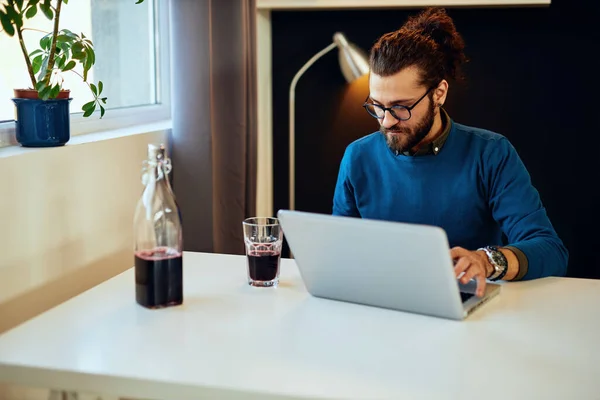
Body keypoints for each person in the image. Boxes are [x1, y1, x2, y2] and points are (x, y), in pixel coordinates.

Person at [332, 7, 568, 297]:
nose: (386, 120)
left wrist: (486, 260)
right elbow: (339, 252)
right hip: (380, 306)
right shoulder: (357, 157)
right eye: (377, 106)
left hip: (465, 310)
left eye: (400, 107)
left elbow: (549, 248)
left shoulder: (490, 154)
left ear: (439, 93)